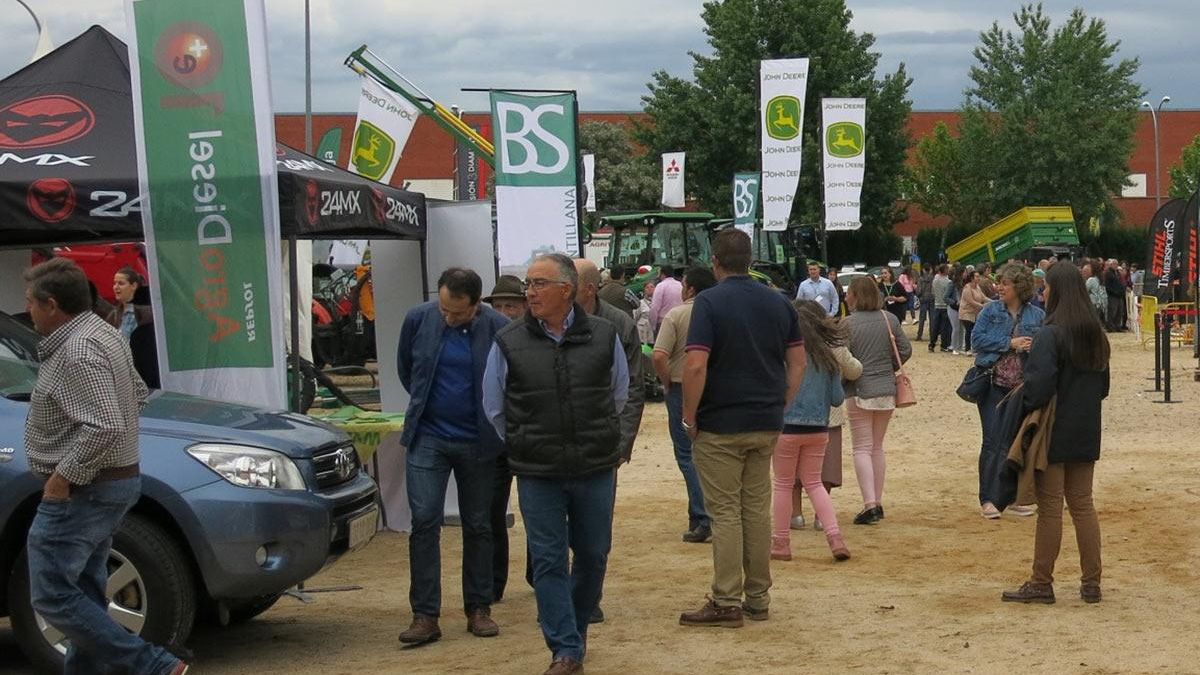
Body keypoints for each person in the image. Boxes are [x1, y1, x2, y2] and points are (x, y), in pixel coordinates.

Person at [22, 258, 187, 675]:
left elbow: (105, 423)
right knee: (84, 591)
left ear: (52, 304)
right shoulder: (102, 333)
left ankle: (155, 666)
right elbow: (135, 392)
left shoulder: (77, 349)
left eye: (31, 303)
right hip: (108, 483)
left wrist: (63, 478)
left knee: (51, 595)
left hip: (85, 490)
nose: (29, 311)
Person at [483, 253, 628, 675]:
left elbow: (618, 393)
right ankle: (564, 649)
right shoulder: (509, 341)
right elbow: (494, 406)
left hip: (594, 467)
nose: (529, 292)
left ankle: (575, 631)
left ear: (566, 290)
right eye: (529, 284)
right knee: (547, 559)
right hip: (538, 471)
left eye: (538, 283)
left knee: (593, 554)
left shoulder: (604, 335)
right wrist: (524, 442)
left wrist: (599, 436)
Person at [678, 228, 806, 628]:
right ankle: (758, 597)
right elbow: (798, 362)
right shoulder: (779, 302)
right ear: (750, 260)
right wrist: (781, 402)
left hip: (721, 422)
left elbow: (696, 365)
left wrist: (689, 416)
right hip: (765, 420)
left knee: (725, 512)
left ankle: (726, 598)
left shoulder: (709, 302)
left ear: (715, 262)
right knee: (755, 509)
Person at [396, 268, 510, 645]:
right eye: (444, 309)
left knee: (478, 523)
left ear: (477, 304)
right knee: (424, 522)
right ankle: (425, 615)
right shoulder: (418, 318)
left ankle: (478, 607)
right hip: (428, 436)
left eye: (457, 312)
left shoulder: (498, 327)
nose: (448, 317)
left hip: (479, 441)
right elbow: (407, 371)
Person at [1002, 261, 1109, 605]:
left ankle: (1041, 581)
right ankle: (1091, 582)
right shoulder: (1096, 335)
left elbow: (1038, 388)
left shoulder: (1050, 334)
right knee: (1083, 505)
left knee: (1050, 507)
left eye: (1046, 288)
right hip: (1087, 426)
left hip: (1053, 428)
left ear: (1057, 292)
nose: (1042, 293)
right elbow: (1103, 387)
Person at [573, 258, 646, 624]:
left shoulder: (619, 325)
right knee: (553, 524)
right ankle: (555, 592)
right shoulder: (542, 324)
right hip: (552, 440)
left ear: (587, 288)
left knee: (595, 525)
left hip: (602, 439)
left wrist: (622, 442)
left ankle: (588, 596)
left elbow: (633, 389)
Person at [772, 300, 854, 562]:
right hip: (819, 429)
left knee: (783, 484)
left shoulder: (782, 357)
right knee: (815, 483)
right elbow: (837, 399)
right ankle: (834, 537)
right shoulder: (827, 358)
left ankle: (781, 542)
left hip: (786, 428)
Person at [970, 262, 1044, 520]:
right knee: (992, 441)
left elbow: (1044, 348)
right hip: (992, 384)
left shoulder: (1037, 315)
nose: (998, 287)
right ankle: (988, 498)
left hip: (1020, 389)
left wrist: (1034, 346)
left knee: (1015, 442)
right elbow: (976, 341)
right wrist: (1010, 344)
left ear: (1019, 287)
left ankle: (1012, 497)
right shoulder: (990, 312)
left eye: (1005, 283)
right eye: (998, 282)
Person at [652, 266, 718, 543]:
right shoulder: (718, 312)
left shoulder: (677, 314)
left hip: (681, 386)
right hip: (715, 387)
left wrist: (667, 382)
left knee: (686, 454)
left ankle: (702, 516)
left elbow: (658, 355)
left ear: (690, 289)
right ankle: (714, 512)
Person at [843, 276, 912, 525]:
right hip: (886, 388)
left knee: (861, 447)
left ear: (856, 295)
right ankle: (878, 502)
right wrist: (889, 367)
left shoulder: (847, 324)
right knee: (876, 447)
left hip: (860, 388)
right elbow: (905, 350)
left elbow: (843, 359)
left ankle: (869, 504)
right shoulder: (889, 319)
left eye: (849, 292)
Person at [104, 266, 152, 340]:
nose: (116, 287)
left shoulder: (148, 314)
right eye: (115, 283)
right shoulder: (114, 315)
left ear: (133, 286)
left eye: (121, 283)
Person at [959, 270, 988, 355]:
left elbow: (984, 298)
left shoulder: (977, 287)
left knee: (975, 331)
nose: (979, 278)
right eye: (977, 276)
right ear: (972, 278)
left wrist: (993, 302)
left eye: (979, 276)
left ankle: (974, 348)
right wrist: (983, 306)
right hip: (966, 313)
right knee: (969, 330)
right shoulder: (967, 288)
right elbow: (971, 301)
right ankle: (968, 349)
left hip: (975, 313)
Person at [649, 264, 683, 331]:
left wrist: (653, 326)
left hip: (664, 322)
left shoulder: (661, 286)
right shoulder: (680, 285)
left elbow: (654, 308)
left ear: (662, 274)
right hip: (679, 321)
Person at [928, 264, 953, 352]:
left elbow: (933, 292)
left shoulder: (935, 280)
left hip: (936, 304)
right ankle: (944, 345)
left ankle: (932, 344)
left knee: (935, 326)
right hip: (945, 306)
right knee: (944, 327)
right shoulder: (948, 282)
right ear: (945, 271)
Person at [1104, 259, 1125, 331]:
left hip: (1119, 295)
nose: (1116, 266)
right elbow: (1107, 285)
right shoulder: (1108, 273)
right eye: (1114, 264)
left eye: (1117, 264)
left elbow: (1121, 282)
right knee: (1112, 311)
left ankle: (1118, 326)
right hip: (1112, 295)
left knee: (1119, 311)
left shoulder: (1118, 273)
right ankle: (1110, 326)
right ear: (1111, 265)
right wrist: (1113, 292)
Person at [947, 265, 965, 354]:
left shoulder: (963, 283)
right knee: (956, 328)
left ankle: (960, 347)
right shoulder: (952, 284)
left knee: (962, 328)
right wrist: (954, 302)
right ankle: (954, 347)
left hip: (961, 308)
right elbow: (945, 297)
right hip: (953, 308)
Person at [1083, 261, 1107, 326]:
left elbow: (1084, 291)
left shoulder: (1091, 280)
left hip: (1092, 303)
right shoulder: (1100, 279)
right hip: (1100, 304)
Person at [916, 266, 934, 341]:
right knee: (932, 318)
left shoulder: (920, 279)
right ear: (930, 270)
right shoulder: (933, 279)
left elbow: (919, 290)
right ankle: (932, 335)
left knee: (922, 318)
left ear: (923, 270)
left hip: (923, 299)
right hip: (932, 299)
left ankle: (919, 335)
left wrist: (919, 295)